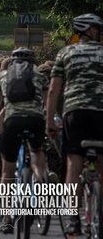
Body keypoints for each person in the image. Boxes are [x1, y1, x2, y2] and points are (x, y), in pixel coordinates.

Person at [46, 13, 103, 235]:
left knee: (73, 162)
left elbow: (54, 89)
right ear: (88, 30)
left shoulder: (66, 53)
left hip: (75, 112)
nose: (100, 33)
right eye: (98, 29)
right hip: (101, 113)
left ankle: (72, 217)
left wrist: (50, 121)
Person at [0, 47, 48, 234]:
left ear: (12, 61)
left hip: (12, 122)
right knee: (36, 152)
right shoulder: (39, 75)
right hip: (35, 120)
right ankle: (40, 179)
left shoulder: (2, 76)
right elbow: (45, 102)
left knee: (7, 170)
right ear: (32, 60)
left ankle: (8, 215)